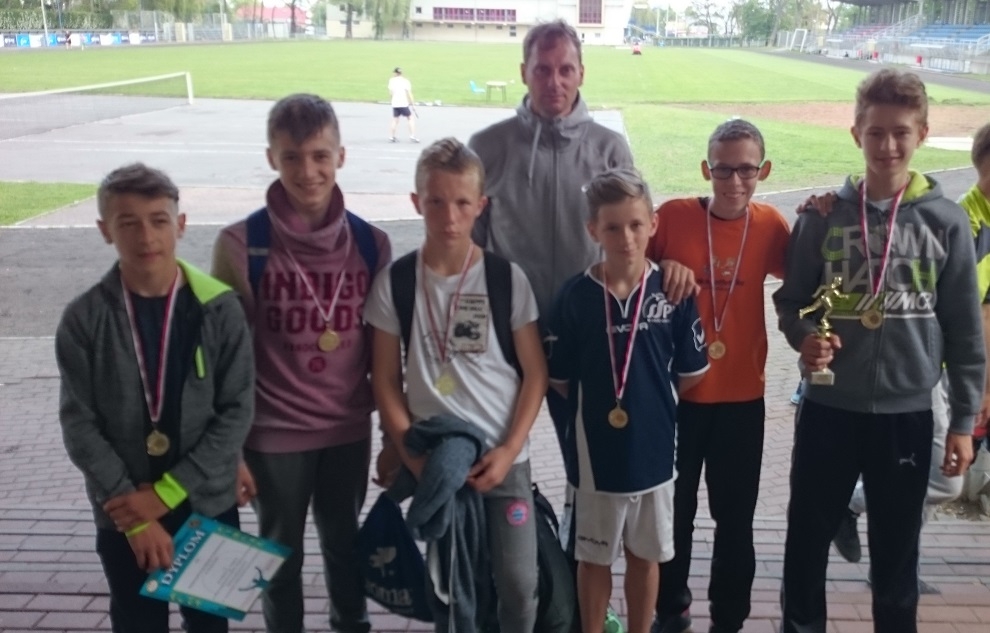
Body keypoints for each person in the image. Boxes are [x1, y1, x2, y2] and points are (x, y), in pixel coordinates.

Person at [773, 68, 984, 633]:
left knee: (896, 555)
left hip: (906, 415)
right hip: (828, 408)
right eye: (875, 132)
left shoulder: (945, 222)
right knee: (805, 544)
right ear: (855, 134)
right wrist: (804, 338)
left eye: (901, 132)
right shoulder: (822, 217)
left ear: (922, 135)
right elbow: (791, 302)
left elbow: (965, 332)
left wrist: (963, 422)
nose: (888, 145)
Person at [211, 94, 391, 633]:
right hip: (272, 434)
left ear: (341, 156)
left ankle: (351, 624)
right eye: (291, 157)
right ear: (271, 158)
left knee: (345, 546)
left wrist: (392, 437)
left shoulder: (371, 244)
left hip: (346, 429)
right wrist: (230, 452)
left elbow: (384, 354)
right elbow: (223, 361)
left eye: (319, 156)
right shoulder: (240, 245)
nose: (307, 171)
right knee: (278, 557)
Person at [56, 163, 255, 633]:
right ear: (105, 230)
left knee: (210, 625)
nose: (146, 236)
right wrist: (136, 516)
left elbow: (236, 411)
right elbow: (79, 426)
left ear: (180, 224)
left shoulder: (220, 309)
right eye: (128, 223)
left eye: (158, 220)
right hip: (124, 509)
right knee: (138, 622)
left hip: (206, 500)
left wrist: (164, 495)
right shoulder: (84, 319)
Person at [365, 137, 546, 631]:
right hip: (435, 460)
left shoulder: (506, 279)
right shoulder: (396, 283)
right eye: (436, 202)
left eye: (463, 203)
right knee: (448, 587)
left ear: (480, 205)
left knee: (518, 584)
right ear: (416, 202)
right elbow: (385, 380)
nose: (449, 217)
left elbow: (535, 373)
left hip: (503, 459)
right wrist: (412, 457)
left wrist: (509, 450)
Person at [547, 168, 710, 633]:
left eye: (636, 225)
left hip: (655, 453)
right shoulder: (574, 297)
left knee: (645, 556)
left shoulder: (672, 293)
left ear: (653, 224)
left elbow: (690, 374)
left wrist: (650, 403)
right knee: (593, 558)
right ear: (592, 230)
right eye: (613, 227)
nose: (626, 237)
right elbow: (560, 380)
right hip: (594, 457)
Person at [646, 119, 790, 633]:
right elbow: (627, 267)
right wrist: (659, 269)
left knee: (735, 519)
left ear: (763, 170)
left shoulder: (771, 226)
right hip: (677, 396)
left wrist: (823, 215)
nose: (734, 181)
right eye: (723, 170)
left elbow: (809, 277)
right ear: (706, 169)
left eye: (746, 169)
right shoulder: (672, 217)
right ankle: (671, 608)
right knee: (673, 514)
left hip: (742, 398)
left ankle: (729, 618)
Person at [830, 120, 990, 571]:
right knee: (942, 478)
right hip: (929, 374)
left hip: (950, 373)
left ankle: (899, 567)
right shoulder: (963, 223)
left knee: (923, 478)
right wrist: (977, 389)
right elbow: (970, 318)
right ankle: (854, 507)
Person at [388, 67, 418, 143]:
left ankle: (392, 136)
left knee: (395, 119)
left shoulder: (391, 81)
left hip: (395, 103)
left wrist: (391, 101)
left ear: (395, 73)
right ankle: (412, 136)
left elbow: (391, 93)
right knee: (410, 118)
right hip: (403, 103)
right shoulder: (405, 81)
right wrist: (413, 105)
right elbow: (409, 94)